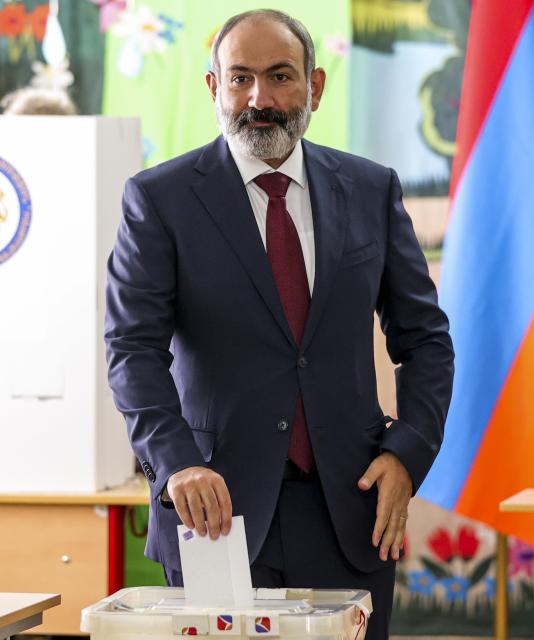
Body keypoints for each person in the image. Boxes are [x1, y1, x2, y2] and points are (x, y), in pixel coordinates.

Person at [105, 9, 453, 639]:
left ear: (314, 87)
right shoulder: (160, 199)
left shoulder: (372, 191)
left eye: (280, 76)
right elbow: (132, 350)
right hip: (213, 512)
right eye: (239, 78)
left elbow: (425, 339)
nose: (258, 99)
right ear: (214, 87)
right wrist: (177, 462)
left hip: (354, 510)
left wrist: (409, 452)